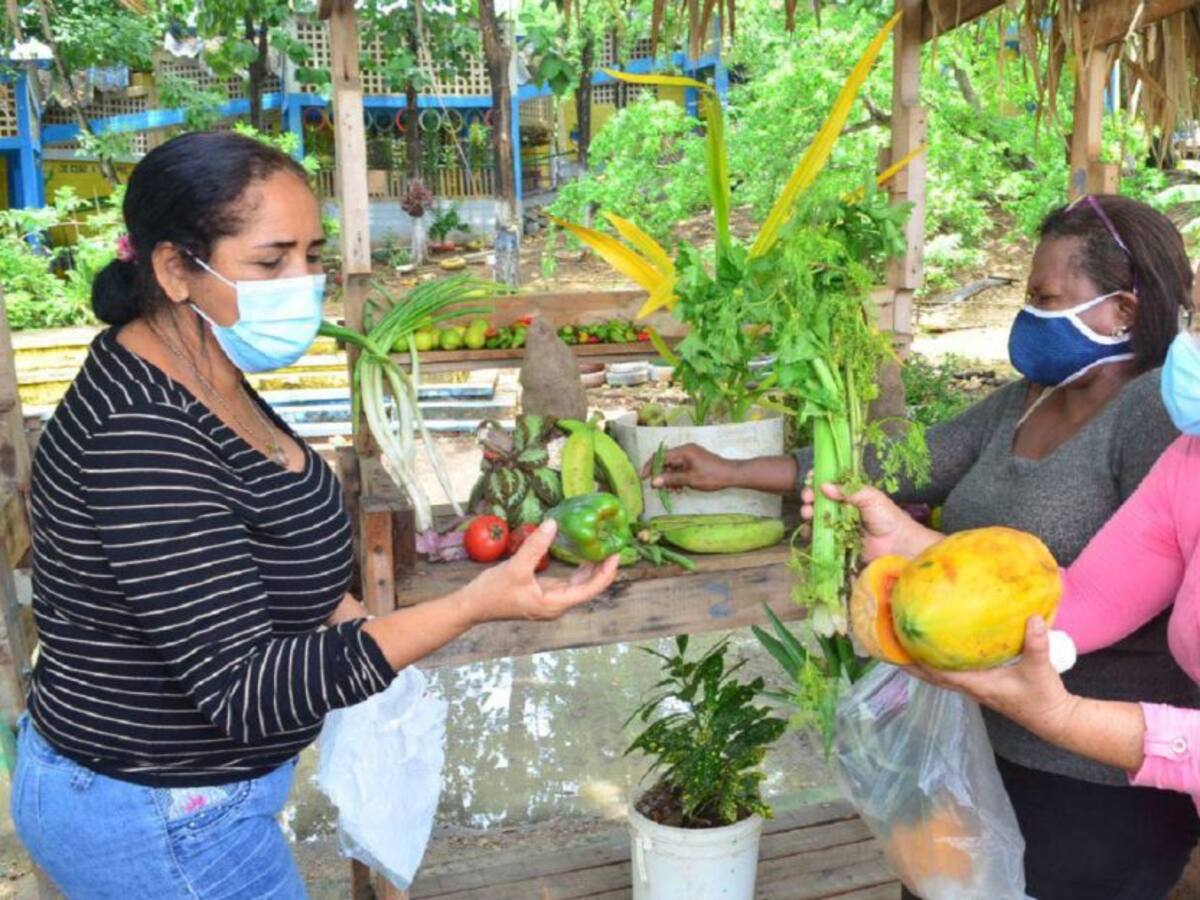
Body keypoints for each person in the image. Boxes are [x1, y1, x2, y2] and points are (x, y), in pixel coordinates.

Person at [10, 131, 619, 899]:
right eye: (270, 261)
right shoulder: (138, 436)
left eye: (311, 253)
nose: (303, 282)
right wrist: (475, 605)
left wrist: (345, 616)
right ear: (173, 269)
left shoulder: (204, 368)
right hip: (159, 815)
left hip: (197, 799)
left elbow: (260, 538)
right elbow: (245, 688)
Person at [649, 195, 1200, 897]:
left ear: (1121, 310)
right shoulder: (1026, 399)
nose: (1027, 313)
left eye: (1045, 296)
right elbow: (895, 466)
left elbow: (1107, 590)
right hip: (981, 736)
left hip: (1100, 770)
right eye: (1027, 295)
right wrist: (736, 472)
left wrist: (921, 553)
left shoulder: (1156, 415)